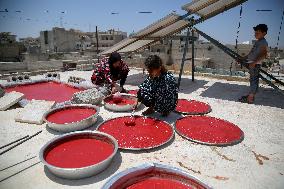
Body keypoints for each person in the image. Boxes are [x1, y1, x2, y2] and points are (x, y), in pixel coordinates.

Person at [239, 24, 268, 104]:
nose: (255, 34)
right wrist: (244, 58)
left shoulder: (263, 42)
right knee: (253, 80)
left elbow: (264, 55)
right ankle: (251, 95)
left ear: (264, 33)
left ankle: (250, 98)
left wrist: (254, 63)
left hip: (255, 65)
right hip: (253, 64)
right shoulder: (258, 42)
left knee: (254, 81)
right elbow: (252, 53)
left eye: (257, 33)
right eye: (255, 33)